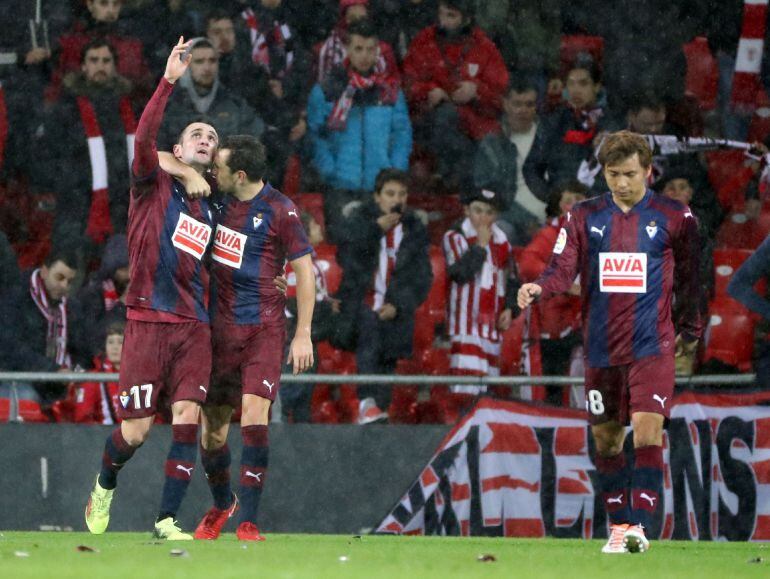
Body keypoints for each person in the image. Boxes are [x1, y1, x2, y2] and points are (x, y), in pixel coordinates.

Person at [517, 131, 702, 554]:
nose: (621, 183)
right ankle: (619, 528)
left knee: (647, 429)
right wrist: (538, 289)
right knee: (607, 441)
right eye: (614, 174)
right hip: (600, 347)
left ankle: (639, 525)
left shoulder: (676, 216)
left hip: (652, 344)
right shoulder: (581, 216)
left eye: (631, 174)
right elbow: (562, 269)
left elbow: (692, 278)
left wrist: (690, 330)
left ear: (649, 172)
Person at [84, 38, 219, 541]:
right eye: (196, 133)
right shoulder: (152, 184)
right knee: (136, 433)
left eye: (211, 134)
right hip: (146, 321)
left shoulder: (214, 206)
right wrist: (166, 82)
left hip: (193, 327)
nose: (205, 136)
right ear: (179, 150)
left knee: (188, 417)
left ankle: (166, 519)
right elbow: (144, 142)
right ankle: (104, 483)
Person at [188, 134, 315, 542]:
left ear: (239, 174)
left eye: (219, 168)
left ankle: (249, 522)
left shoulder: (281, 210)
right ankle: (225, 503)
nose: (212, 173)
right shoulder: (215, 200)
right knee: (212, 433)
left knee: (255, 415)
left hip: (263, 328)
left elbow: (305, 271)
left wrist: (303, 335)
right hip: (219, 330)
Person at [334, 168, 432, 423]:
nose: (396, 200)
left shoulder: (414, 229)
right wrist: (374, 230)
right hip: (358, 307)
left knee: (387, 354)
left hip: (393, 311)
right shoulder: (360, 219)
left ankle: (375, 415)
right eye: (390, 193)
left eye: (401, 194)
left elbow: (422, 279)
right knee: (369, 325)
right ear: (377, 197)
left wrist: (398, 306)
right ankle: (367, 402)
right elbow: (346, 259)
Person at [306, 18, 411, 239]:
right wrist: (330, 170)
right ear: (347, 50)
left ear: (378, 51)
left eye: (370, 49)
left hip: (381, 188)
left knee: (381, 252)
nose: (365, 55)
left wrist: (394, 171)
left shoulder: (389, 91)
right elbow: (315, 134)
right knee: (345, 251)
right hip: (341, 186)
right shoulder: (328, 89)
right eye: (358, 49)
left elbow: (402, 133)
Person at [40, 38, 137, 256]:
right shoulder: (65, 108)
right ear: (83, 66)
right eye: (94, 60)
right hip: (76, 209)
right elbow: (48, 155)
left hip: (121, 206)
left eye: (106, 60)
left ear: (114, 66)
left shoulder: (129, 107)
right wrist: (67, 186)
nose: (100, 66)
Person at [403, 0, 508, 190]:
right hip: (429, 122)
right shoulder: (424, 41)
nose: (443, 21)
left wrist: (476, 91)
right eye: (442, 14)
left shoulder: (484, 47)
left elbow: (501, 97)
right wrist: (428, 90)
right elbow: (408, 83)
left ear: (466, 18)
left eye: (451, 16)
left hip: (475, 126)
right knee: (444, 118)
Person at [443, 187, 518, 399]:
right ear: (466, 210)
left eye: (489, 212)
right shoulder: (455, 237)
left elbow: (513, 279)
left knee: (488, 393)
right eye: (478, 210)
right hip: (465, 326)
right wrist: (481, 246)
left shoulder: (503, 243)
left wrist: (511, 309)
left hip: (492, 329)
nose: (483, 218)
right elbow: (460, 273)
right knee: (466, 390)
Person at [517, 182, 587, 405]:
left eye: (579, 200)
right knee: (555, 389)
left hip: (585, 322)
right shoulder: (551, 234)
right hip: (554, 326)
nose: (574, 206)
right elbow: (527, 264)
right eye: (569, 201)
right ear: (559, 207)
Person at [523, 54, 608, 204]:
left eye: (583, 84)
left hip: (600, 210)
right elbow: (531, 168)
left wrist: (591, 199)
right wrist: (554, 198)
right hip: (561, 209)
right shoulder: (553, 122)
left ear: (597, 86)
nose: (576, 90)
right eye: (571, 83)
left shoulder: (611, 123)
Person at [0, 245, 80, 406]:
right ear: (44, 271)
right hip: (14, 379)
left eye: (69, 281)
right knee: (29, 398)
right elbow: (11, 348)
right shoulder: (15, 297)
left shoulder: (71, 307)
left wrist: (76, 372)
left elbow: (80, 347)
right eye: (59, 277)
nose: (64, 285)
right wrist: (53, 370)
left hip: (54, 384)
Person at [281, 211, 340, 423]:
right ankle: (273, 430)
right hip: (295, 337)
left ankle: (301, 439)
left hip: (307, 336)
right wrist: (325, 308)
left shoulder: (309, 261)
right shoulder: (297, 263)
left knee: (304, 393)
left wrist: (325, 303)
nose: (320, 228)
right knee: (292, 390)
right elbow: (294, 302)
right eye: (315, 224)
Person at [159, 38, 265, 150]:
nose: (207, 67)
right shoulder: (169, 107)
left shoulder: (236, 105)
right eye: (199, 61)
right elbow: (158, 151)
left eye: (212, 60)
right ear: (186, 66)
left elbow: (253, 145)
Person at [473, 78, 542, 245]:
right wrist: (527, 221)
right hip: (512, 220)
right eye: (517, 104)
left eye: (529, 104)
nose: (523, 110)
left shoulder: (549, 138)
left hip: (554, 217)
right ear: (505, 104)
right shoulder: (492, 144)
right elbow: (487, 194)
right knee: (502, 231)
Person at [70, 321, 125, 424]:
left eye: (120, 342)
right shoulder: (94, 379)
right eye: (110, 342)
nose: (115, 347)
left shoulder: (140, 378)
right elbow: (83, 419)